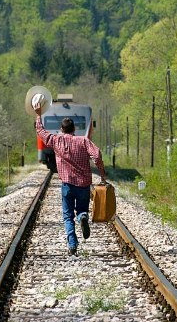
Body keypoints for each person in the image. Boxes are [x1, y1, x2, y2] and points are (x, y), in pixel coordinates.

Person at [33, 99, 107, 256]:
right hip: (83, 185)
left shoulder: (56, 140)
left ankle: (72, 245)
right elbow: (97, 154)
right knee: (81, 209)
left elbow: (41, 131)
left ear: (61, 129)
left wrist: (38, 115)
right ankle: (83, 217)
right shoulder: (84, 141)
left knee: (67, 217)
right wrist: (102, 175)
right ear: (74, 129)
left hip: (67, 185)